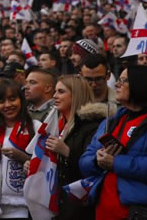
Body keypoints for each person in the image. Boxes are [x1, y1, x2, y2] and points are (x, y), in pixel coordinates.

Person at [79, 65, 147, 219]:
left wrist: (115, 163)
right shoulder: (111, 122)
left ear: (140, 84)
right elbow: (84, 160)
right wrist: (97, 161)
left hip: (139, 212)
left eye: (124, 81)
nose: (117, 84)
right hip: (104, 210)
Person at [44, 75, 106, 220]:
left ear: (76, 94)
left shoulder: (93, 125)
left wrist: (66, 152)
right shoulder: (56, 124)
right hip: (58, 199)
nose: (54, 96)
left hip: (79, 205)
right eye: (55, 91)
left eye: (61, 91)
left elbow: (93, 167)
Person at [0, 79, 38, 219]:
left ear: (21, 100)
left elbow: (47, 166)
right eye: (1, 101)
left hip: (23, 208)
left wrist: (24, 158)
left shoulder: (36, 127)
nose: (7, 105)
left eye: (12, 99)